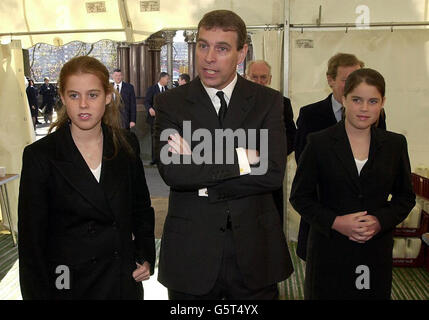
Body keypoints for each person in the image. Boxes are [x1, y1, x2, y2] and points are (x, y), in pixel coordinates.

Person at [154, 9, 293, 300]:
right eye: (203, 45)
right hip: (191, 254)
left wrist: (199, 164)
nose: (208, 57)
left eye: (222, 48)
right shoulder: (171, 102)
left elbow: (273, 173)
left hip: (254, 253)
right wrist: (244, 158)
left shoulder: (268, 101)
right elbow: (173, 172)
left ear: (241, 53)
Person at [18, 56, 155, 300]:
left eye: (92, 95)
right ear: (62, 98)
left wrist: (144, 253)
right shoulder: (40, 156)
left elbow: (141, 208)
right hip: (68, 283)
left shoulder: (126, 145)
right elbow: (31, 242)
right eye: (74, 95)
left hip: (121, 281)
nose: (83, 104)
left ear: (108, 97)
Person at [289, 68, 415, 300]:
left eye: (372, 101)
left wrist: (379, 220)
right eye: (357, 100)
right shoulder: (319, 143)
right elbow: (300, 197)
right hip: (329, 251)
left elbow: (405, 198)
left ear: (383, 103)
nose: (364, 108)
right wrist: (336, 222)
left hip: (374, 251)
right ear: (344, 99)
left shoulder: (395, 145)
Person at [294, 53, 387, 261]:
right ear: (330, 80)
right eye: (347, 79)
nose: (355, 84)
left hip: (365, 222)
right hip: (324, 215)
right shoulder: (311, 114)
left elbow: (379, 159)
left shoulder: (376, 116)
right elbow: (303, 163)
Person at [246, 59, 297, 223]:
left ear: (270, 79)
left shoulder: (282, 103)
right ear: (246, 77)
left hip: (271, 172)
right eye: (254, 77)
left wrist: (267, 155)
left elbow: (291, 137)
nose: (259, 81)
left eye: (263, 77)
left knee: (271, 221)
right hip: (241, 172)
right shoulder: (234, 103)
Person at [144, 72, 169, 165]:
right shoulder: (152, 89)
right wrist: (149, 108)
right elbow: (146, 101)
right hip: (153, 119)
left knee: (164, 139)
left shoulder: (167, 90)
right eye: (167, 78)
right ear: (161, 79)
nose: (168, 80)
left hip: (164, 119)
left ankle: (163, 158)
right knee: (154, 138)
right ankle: (154, 159)